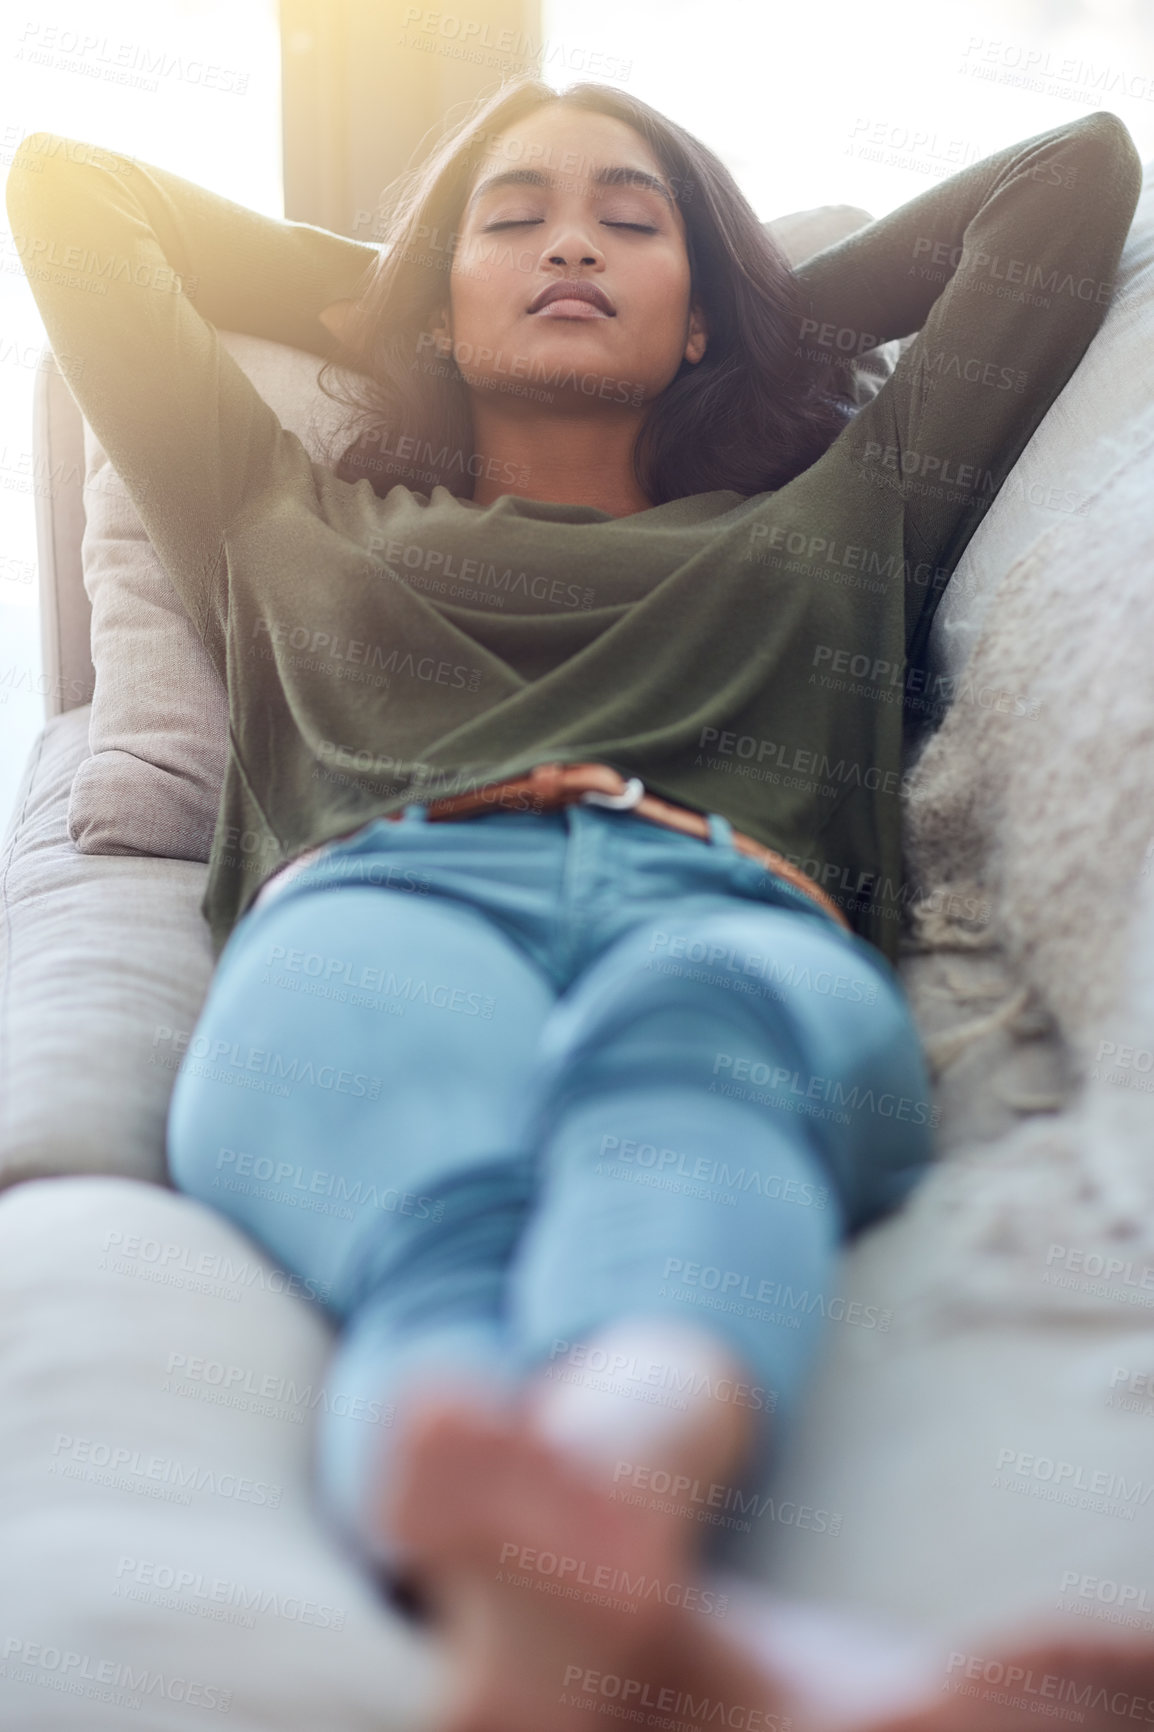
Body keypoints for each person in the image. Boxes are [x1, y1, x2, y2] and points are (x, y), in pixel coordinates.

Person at [7, 79, 1145, 1732]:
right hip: (380, 907)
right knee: (440, 1221)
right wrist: (407, 300)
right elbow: (70, 190)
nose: (569, 245)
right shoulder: (270, 508)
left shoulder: (841, 516)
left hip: (725, 905)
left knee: (691, 1052)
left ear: (698, 306)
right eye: (513, 219)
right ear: (431, 296)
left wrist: (737, 312)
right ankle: (675, 1628)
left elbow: (1070, 177)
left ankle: (583, 1518)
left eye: (629, 221)